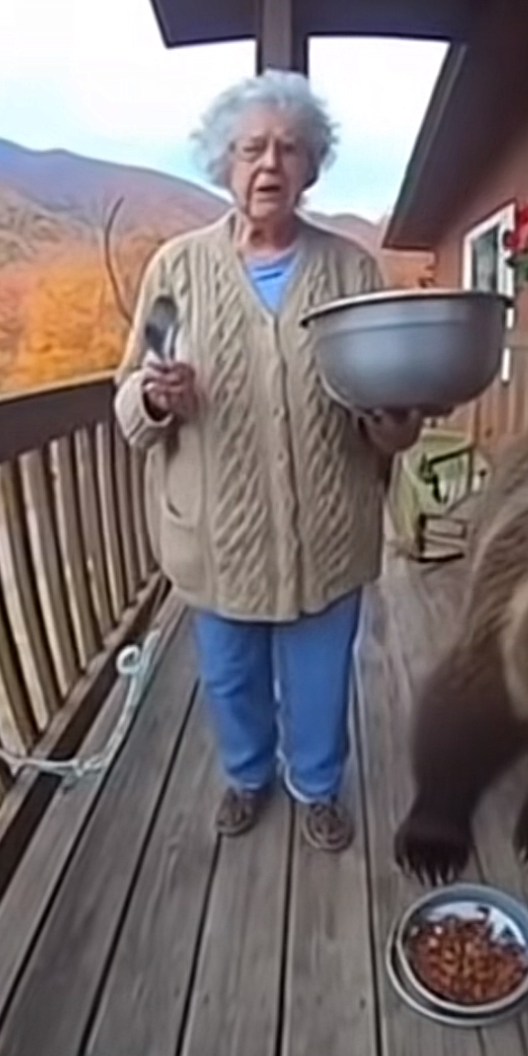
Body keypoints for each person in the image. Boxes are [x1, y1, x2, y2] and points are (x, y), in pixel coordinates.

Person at [114, 69, 422, 852]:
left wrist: (393, 426)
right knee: (230, 681)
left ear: (312, 166)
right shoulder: (175, 273)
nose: (269, 164)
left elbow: (384, 419)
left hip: (328, 530)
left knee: (319, 686)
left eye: (289, 148)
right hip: (217, 534)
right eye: (251, 148)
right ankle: (247, 775)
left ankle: (314, 785)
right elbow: (131, 394)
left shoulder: (352, 271)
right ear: (223, 161)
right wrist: (156, 396)